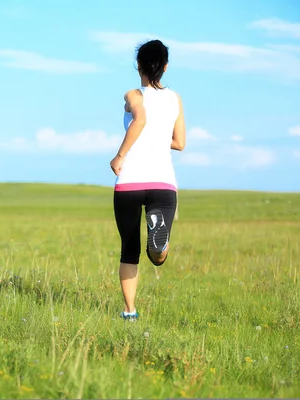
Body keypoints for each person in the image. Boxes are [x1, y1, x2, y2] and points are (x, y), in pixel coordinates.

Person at [109, 39, 186, 321]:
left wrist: (120, 155)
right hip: (163, 183)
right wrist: (156, 138)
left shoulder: (133, 94)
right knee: (157, 257)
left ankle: (130, 312)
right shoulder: (174, 98)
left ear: (138, 65)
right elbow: (179, 143)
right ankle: (159, 244)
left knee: (129, 249)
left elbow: (139, 120)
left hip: (130, 182)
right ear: (164, 67)